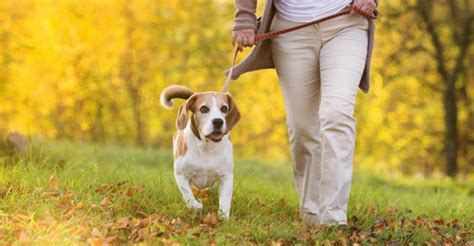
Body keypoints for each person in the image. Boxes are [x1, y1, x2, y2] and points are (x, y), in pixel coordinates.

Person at [228, 0, 378, 225]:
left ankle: (333, 219)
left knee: (337, 113)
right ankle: (312, 213)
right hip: (291, 31)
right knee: (302, 128)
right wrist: (244, 19)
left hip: (347, 22)